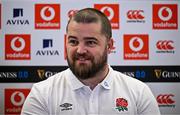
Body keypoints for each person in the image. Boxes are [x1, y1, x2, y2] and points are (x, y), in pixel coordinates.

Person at [21, 8, 160, 115]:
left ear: (109, 46)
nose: (80, 50)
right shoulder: (42, 93)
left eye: (90, 42)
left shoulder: (139, 93)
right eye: (73, 41)